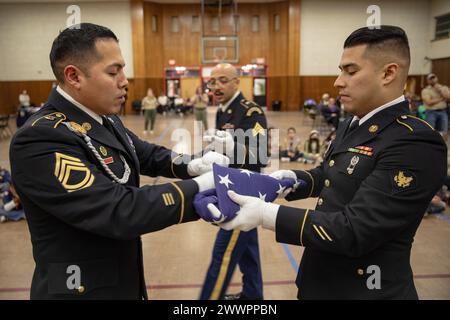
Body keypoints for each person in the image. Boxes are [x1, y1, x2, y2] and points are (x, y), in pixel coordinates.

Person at [207, 26, 447, 299]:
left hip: (366, 291)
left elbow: (356, 229)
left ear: (388, 73)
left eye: (351, 71)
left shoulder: (413, 142)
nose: (338, 81)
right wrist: (290, 181)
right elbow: (330, 176)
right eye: (340, 70)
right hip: (319, 281)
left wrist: (266, 214)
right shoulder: (352, 124)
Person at [9, 23, 227, 299]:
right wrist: (200, 187)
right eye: (113, 72)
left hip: (122, 280)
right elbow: (118, 209)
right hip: (81, 290)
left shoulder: (102, 117)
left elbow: (144, 153)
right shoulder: (40, 138)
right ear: (74, 76)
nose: (124, 80)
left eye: (122, 69)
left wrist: (193, 164)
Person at [200, 63, 268, 300]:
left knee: (224, 256)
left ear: (236, 82)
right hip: (229, 189)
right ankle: (253, 295)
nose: (216, 86)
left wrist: (232, 146)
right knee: (247, 249)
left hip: (243, 194)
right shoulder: (222, 109)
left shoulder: (252, 112)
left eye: (222, 80)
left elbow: (261, 155)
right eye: (212, 82)